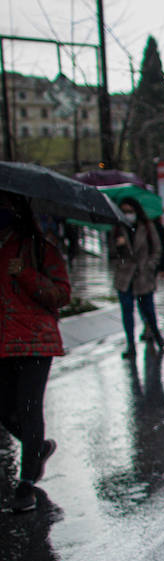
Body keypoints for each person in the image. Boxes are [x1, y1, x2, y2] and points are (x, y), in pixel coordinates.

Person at [0, 192, 69, 513]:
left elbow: (61, 295)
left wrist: (25, 274)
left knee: (29, 409)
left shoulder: (40, 250)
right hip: (3, 341)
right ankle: (37, 446)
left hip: (35, 342)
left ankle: (26, 482)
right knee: (5, 410)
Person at [110, 197, 164, 356]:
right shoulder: (117, 229)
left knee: (149, 310)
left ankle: (157, 337)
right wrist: (118, 246)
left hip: (143, 276)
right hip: (125, 278)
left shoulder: (147, 227)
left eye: (130, 211)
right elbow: (111, 255)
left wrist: (150, 266)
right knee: (127, 313)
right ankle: (130, 345)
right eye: (124, 211)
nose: (128, 214)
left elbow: (157, 249)